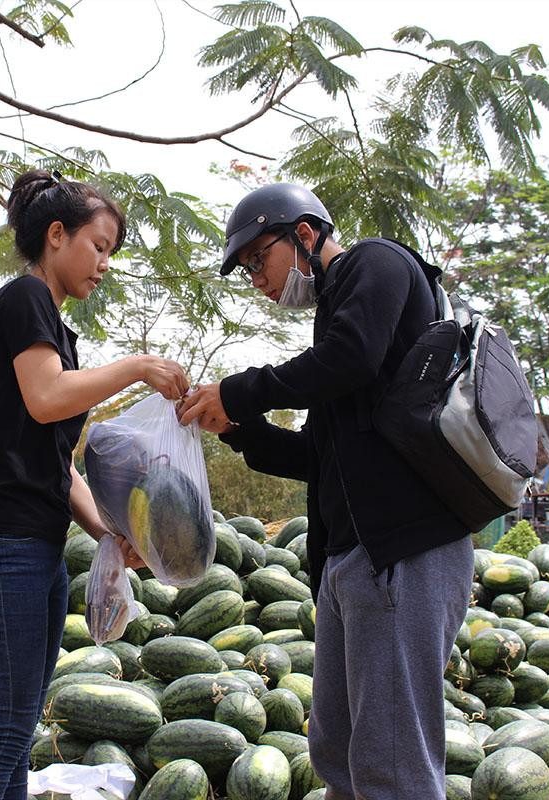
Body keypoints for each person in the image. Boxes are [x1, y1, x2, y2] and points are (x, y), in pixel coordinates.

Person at [178, 184, 474, 800]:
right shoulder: (336, 326)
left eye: (260, 258)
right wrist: (238, 429)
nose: (257, 278)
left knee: (394, 768)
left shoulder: (377, 263)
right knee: (339, 758)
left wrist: (239, 390)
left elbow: (352, 357)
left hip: (402, 552)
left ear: (305, 236)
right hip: (350, 560)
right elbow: (317, 457)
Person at [0, 169, 189, 800]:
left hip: (34, 548)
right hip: (1, 547)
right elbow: (48, 400)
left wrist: (108, 532)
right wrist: (138, 366)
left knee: (17, 728)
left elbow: (57, 466)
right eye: (99, 246)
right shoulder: (23, 300)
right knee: (0, 733)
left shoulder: (55, 327)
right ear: (56, 235)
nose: (104, 264)